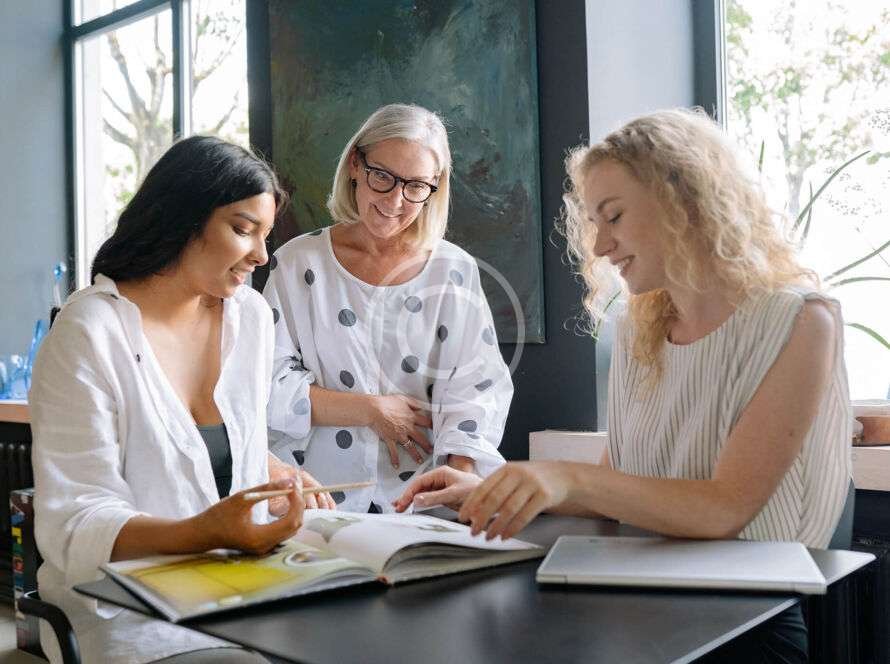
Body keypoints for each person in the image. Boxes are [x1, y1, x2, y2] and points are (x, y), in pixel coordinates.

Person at [396, 109, 852, 662]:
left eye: (613, 216)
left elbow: (724, 509)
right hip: (638, 605)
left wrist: (563, 477)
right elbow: (615, 493)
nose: (600, 246)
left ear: (685, 202)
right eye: (594, 222)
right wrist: (500, 491)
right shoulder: (641, 328)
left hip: (747, 623)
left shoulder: (801, 320)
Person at [30, 136, 332, 664]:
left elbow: (208, 449)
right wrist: (204, 533)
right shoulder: (89, 333)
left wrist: (273, 471)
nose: (261, 255)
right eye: (243, 229)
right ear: (182, 218)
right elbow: (75, 525)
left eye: (265, 235)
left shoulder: (250, 318)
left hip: (244, 600)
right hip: (133, 619)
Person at [264, 103, 513, 513]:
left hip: (420, 502)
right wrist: (371, 410)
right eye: (382, 177)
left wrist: (458, 482)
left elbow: (475, 390)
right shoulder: (297, 262)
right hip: (314, 498)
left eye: (415, 186)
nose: (395, 200)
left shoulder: (453, 269)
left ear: (434, 188)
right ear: (355, 165)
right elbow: (266, 383)